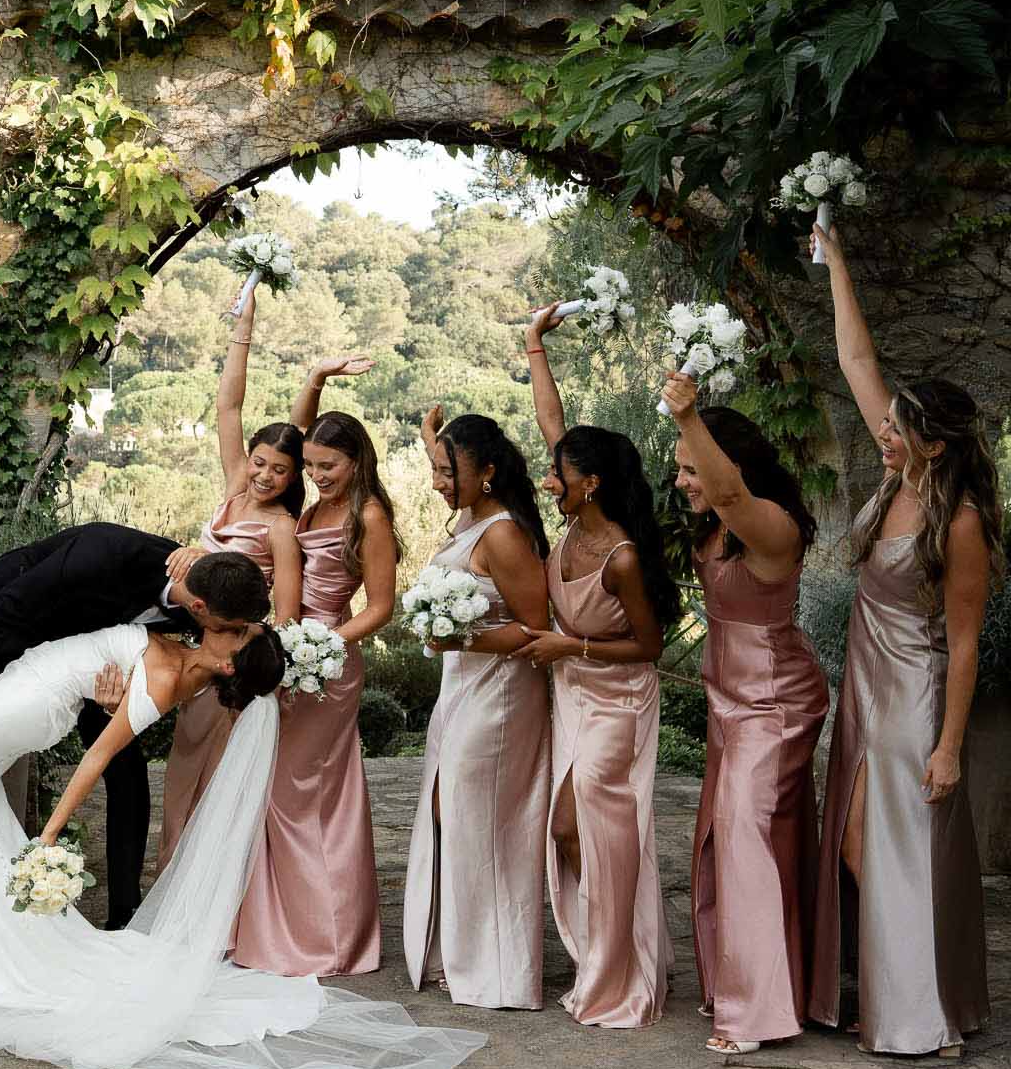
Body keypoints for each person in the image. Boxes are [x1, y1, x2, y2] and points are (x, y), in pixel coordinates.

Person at [0, 621, 486, 1069]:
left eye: (234, 630)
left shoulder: (175, 681)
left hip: (32, 695)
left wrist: (47, 833)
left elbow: (98, 758)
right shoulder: (181, 638)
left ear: (231, 658)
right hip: (37, 679)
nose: (220, 623)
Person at [809, 225, 1001, 1057]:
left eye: (898, 428)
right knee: (857, 844)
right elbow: (857, 363)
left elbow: (964, 643)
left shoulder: (957, 522)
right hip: (863, 693)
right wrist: (839, 261)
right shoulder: (896, 481)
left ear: (936, 441)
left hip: (913, 703)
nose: (882, 433)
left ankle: (927, 1016)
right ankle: (903, 989)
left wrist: (951, 745)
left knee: (900, 852)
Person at [0, 534, 272, 930]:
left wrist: (116, 697)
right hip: (0, 627)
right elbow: (6, 611)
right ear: (201, 607)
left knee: (129, 775)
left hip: (94, 669)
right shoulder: (105, 554)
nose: (231, 636)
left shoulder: (204, 588)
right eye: (230, 629)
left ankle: (124, 916)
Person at [519, 309, 681, 1028]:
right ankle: (602, 953)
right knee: (568, 831)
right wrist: (533, 345)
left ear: (589, 483)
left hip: (616, 699)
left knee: (587, 831)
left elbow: (649, 648)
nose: (549, 477)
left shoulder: (621, 555)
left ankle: (620, 973)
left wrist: (570, 648)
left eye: (560, 473)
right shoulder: (574, 521)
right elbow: (552, 419)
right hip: (572, 695)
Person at [662, 370, 827, 1056]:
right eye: (678, 470)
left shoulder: (771, 528)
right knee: (719, 843)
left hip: (775, 705)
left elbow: (726, 491)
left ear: (728, 465)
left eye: (689, 470)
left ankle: (755, 1013)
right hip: (726, 703)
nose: (682, 482)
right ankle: (746, 983)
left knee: (742, 841)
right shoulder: (709, 532)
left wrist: (689, 416)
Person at [220, 362, 394, 977]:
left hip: (328, 664)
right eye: (312, 467)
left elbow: (380, 607)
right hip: (289, 652)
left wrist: (323, 644)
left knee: (308, 794)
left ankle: (332, 937)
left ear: (357, 462)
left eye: (330, 467)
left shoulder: (367, 516)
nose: (317, 477)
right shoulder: (311, 503)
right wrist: (316, 379)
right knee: (283, 792)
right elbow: (290, 441)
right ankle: (287, 926)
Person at [401, 409, 552, 1010]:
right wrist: (432, 435)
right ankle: (458, 949)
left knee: (481, 819)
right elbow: (454, 475)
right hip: (460, 687)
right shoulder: (471, 516)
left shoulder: (505, 534)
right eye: (436, 469)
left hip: (501, 694)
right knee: (451, 812)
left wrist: (458, 638)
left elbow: (536, 629)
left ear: (485, 473)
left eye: (447, 471)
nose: (438, 481)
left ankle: (500, 968)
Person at [157, 287, 306, 866]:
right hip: (192, 648)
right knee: (181, 771)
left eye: (279, 470)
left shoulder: (281, 529)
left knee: (213, 777)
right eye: (260, 461)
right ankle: (171, 881)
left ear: (294, 478)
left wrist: (242, 670)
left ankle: (206, 892)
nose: (265, 474)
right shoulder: (233, 490)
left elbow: (286, 617)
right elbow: (228, 409)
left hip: (229, 665)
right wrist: (243, 326)